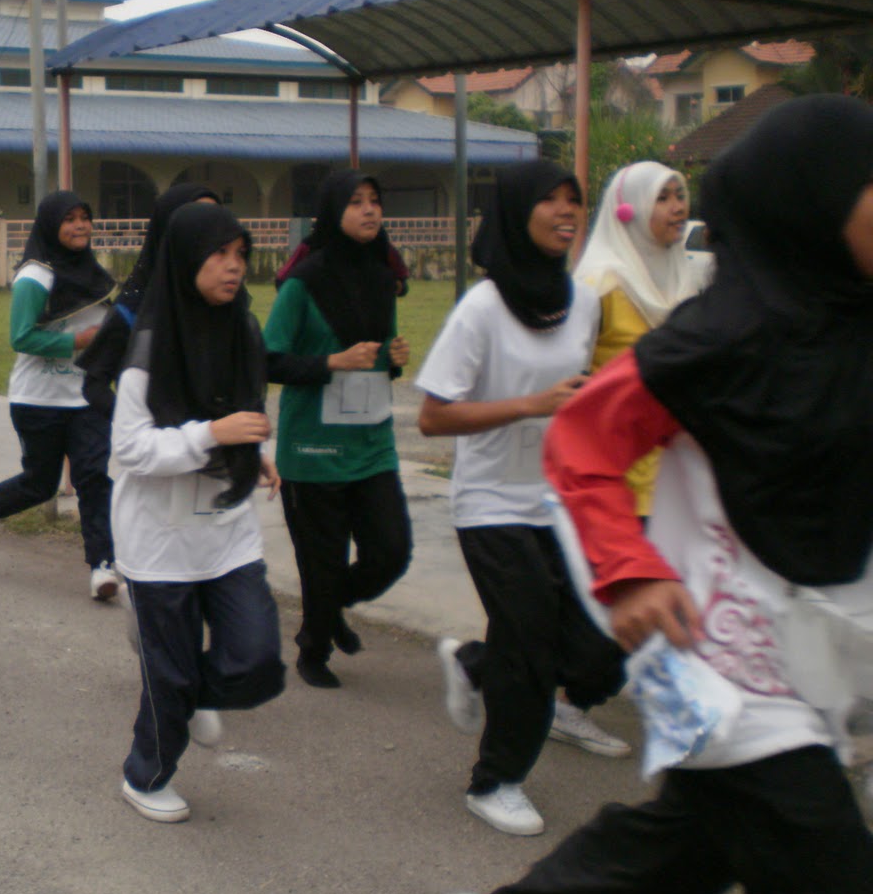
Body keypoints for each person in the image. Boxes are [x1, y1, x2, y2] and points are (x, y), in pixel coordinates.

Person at [441, 94, 873, 894]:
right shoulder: (722, 336)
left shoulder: (854, 326)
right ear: (813, 203)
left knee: (683, 861)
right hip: (725, 658)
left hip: (828, 660)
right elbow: (585, 438)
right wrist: (628, 569)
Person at [417, 159, 624, 837]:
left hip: (559, 500)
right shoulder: (481, 308)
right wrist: (531, 404)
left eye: (576, 200)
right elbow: (434, 416)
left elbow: (578, 394)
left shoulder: (583, 301)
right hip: (490, 502)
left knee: (597, 645)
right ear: (516, 212)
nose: (568, 212)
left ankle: (477, 664)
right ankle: (496, 781)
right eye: (551, 201)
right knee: (533, 643)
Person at [111, 201, 286, 823]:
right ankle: (146, 775)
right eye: (218, 254)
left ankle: (185, 690)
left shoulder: (245, 330)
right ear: (185, 260)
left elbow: (245, 408)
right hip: (159, 541)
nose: (233, 267)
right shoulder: (150, 347)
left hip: (226, 528)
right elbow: (129, 447)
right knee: (169, 674)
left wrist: (256, 451)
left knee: (259, 660)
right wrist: (211, 435)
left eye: (240, 255)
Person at [264, 171, 412, 686]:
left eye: (376, 201)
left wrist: (393, 359)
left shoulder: (381, 276)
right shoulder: (304, 283)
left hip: (371, 443)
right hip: (314, 447)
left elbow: (376, 355)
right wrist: (331, 362)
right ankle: (314, 648)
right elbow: (268, 359)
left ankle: (326, 608)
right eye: (356, 203)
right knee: (321, 559)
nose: (370, 211)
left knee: (392, 552)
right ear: (331, 213)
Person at [0, 190, 120, 600]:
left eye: (84, 217)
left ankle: (102, 566)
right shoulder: (35, 276)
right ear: (51, 226)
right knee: (40, 484)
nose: (79, 226)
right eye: (69, 219)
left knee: (94, 477)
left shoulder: (92, 271)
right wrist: (79, 341)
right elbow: (21, 336)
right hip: (38, 398)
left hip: (86, 395)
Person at [572, 160, 704, 518]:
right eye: (662, 198)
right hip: (622, 488)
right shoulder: (599, 287)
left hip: (683, 484)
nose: (678, 207)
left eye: (680, 195)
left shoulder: (686, 279)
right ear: (629, 211)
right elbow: (573, 384)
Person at [76, 182, 219, 415]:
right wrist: (132, 424)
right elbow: (94, 384)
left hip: (215, 443)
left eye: (215, 220)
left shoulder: (225, 299)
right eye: (198, 220)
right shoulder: (135, 308)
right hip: (154, 447)